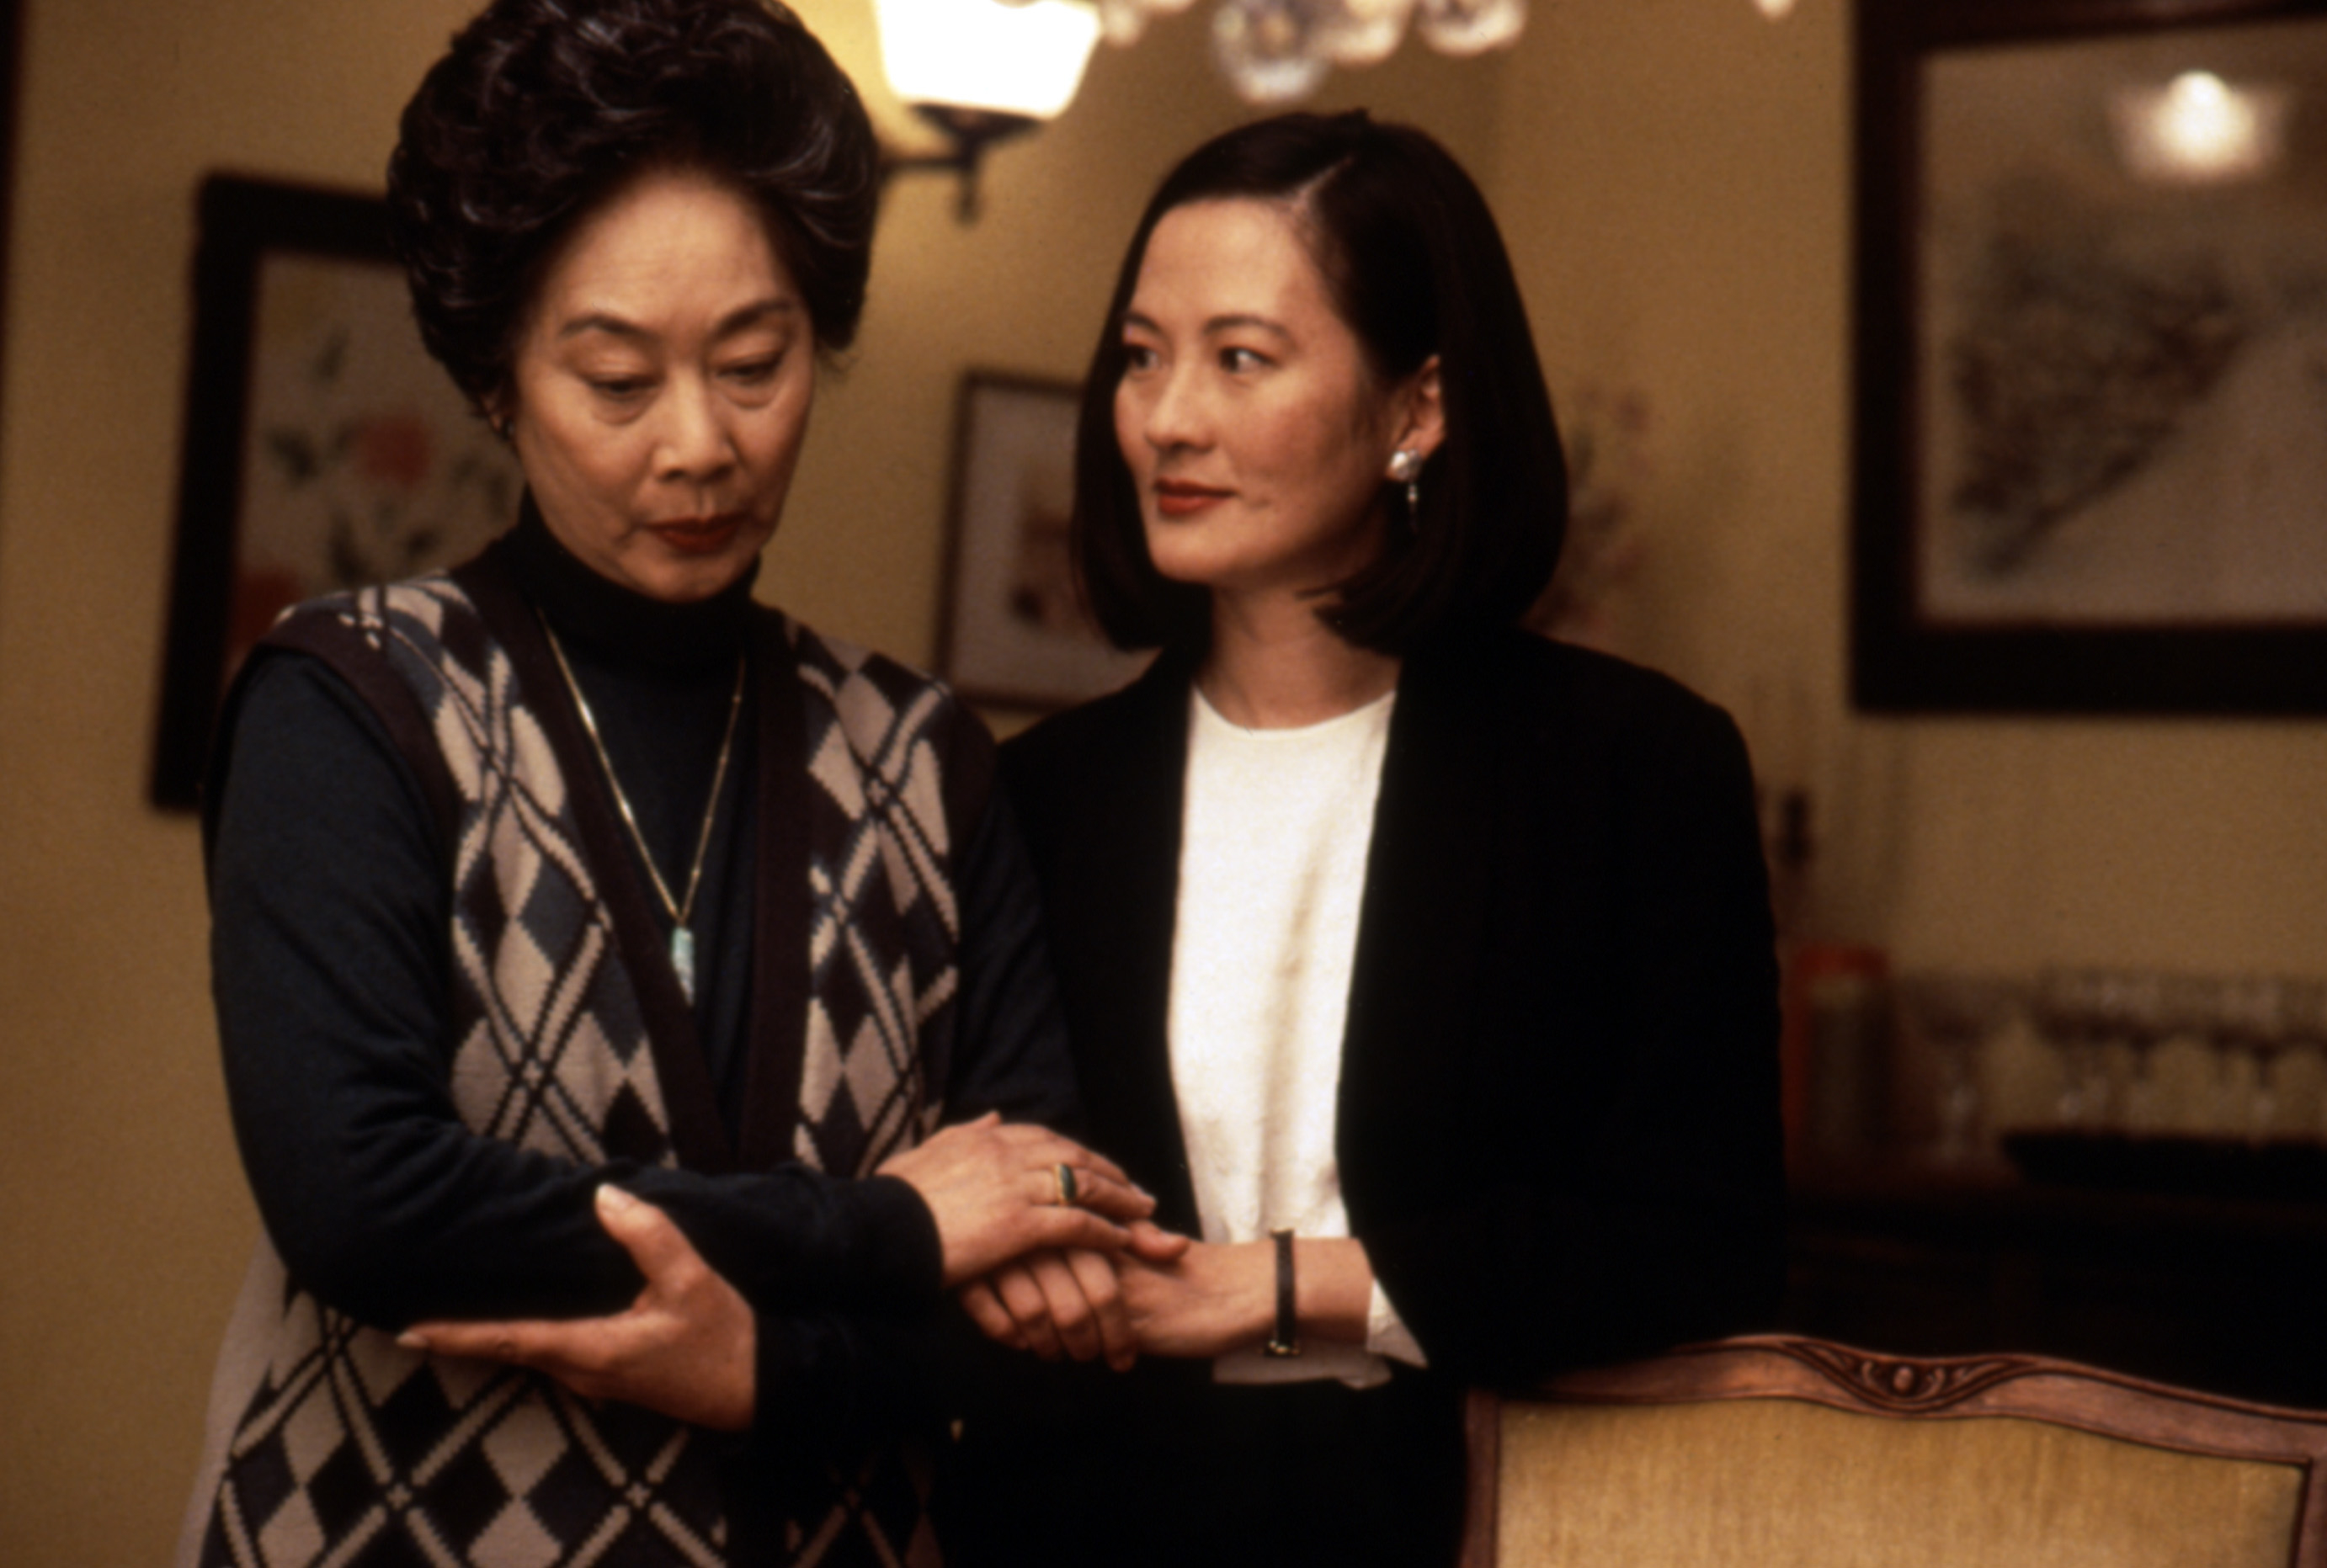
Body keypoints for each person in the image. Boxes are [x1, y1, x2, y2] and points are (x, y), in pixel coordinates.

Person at [173, 3, 1159, 1565]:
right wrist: (889, 1231)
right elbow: (366, 1203)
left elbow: (1052, 1269)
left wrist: (770, 1372)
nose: (700, 445)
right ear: (498, 378)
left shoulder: (921, 755)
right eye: (616, 381)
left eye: (755, 365)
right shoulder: (353, 700)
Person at [946, 109, 1789, 1565]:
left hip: (1485, 1523)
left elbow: (1698, 1244)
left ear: (1417, 411)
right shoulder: (1036, 798)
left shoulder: (1630, 770)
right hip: (1099, 1530)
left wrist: (1279, 1284)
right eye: (1142, 357)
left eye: (1241, 358)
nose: (1167, 419)